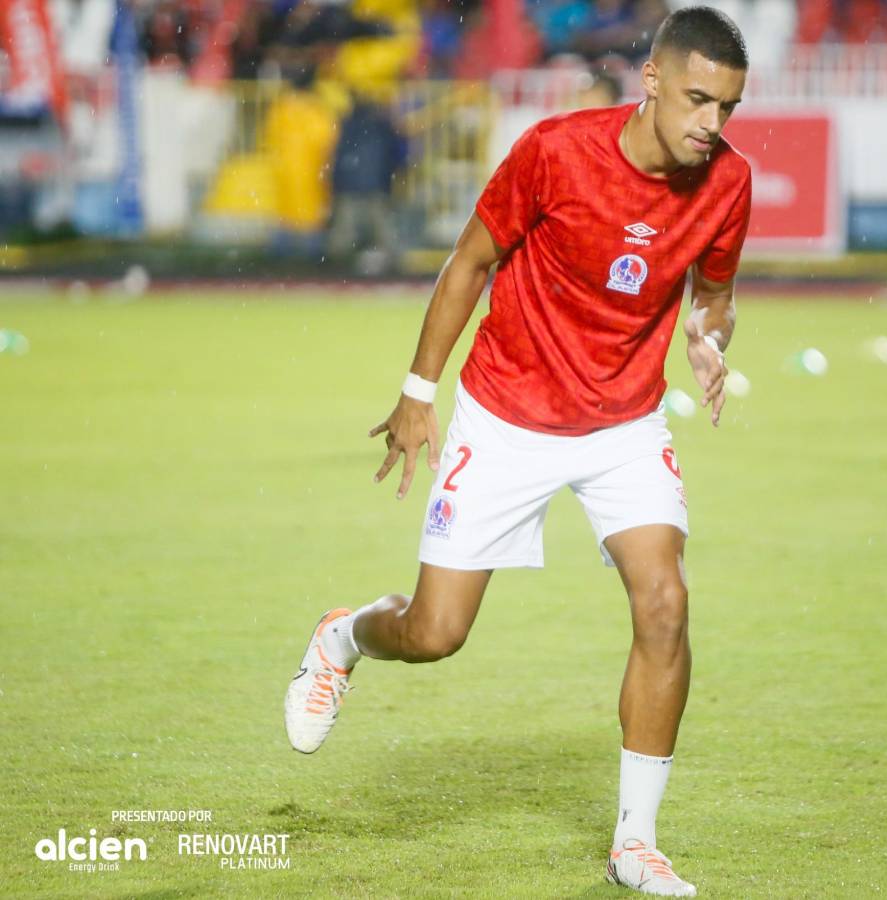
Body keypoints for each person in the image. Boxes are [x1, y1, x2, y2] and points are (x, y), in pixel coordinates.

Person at [284, 6, 751, 895]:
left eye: (726, 107)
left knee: (665, 604)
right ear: (652, 80)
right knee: (434, 634)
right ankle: (342, 639)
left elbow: (715, 296)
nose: (711, 123)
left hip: (624, 424)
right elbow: (469, 262)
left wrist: (708, 337)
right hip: (506, 415)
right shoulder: (555, 151)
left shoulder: (728, 181)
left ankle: (635, 844)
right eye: (698, 100)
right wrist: (418, 392)